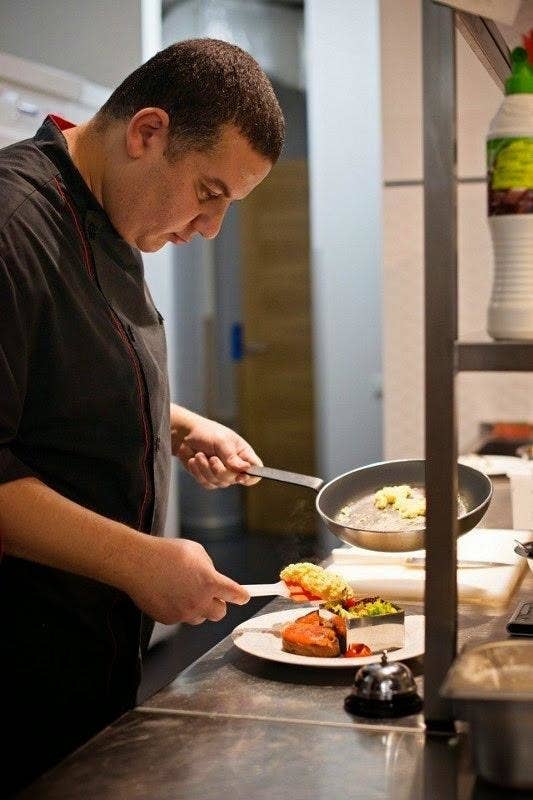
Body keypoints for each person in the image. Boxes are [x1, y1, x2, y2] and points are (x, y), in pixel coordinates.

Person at [0, 38, 285, 795]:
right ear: (147, 132)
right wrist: (139, 562)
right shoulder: (9, 223)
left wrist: (178, 423)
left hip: (90, 654)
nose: (209, 228)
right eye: (209, 191)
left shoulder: (107, 214)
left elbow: (60, 379)